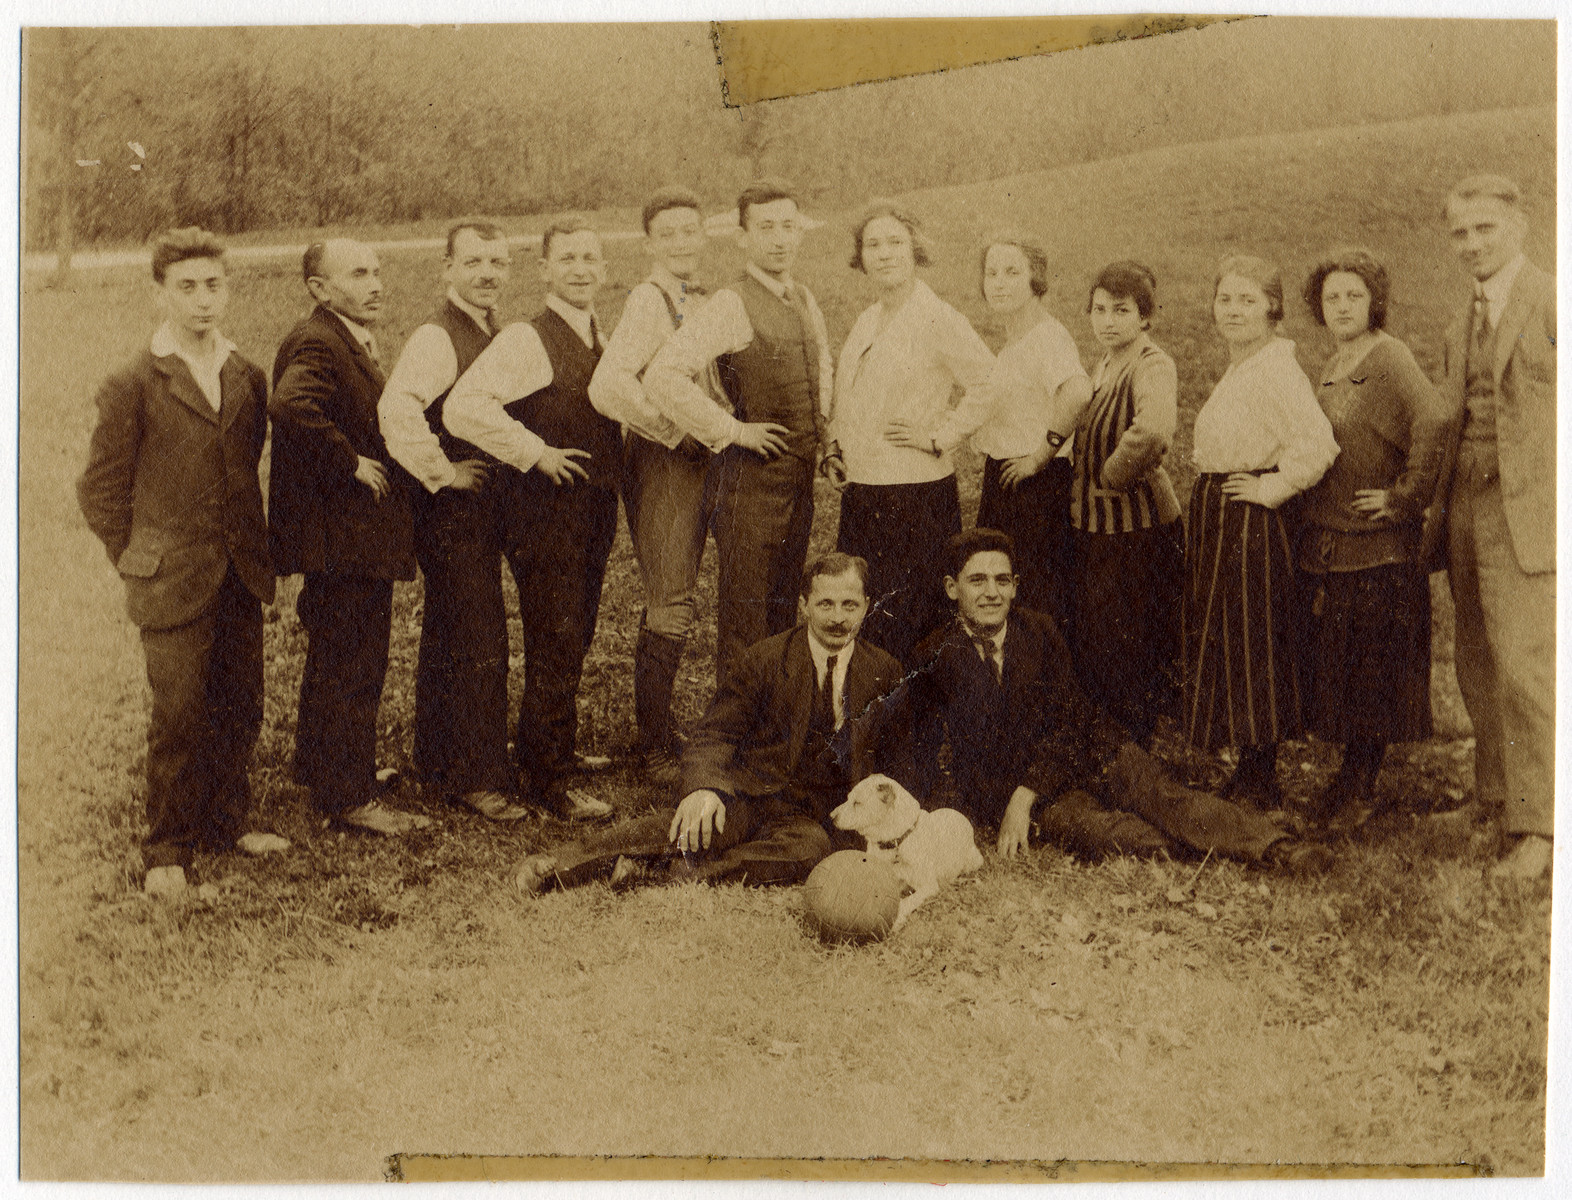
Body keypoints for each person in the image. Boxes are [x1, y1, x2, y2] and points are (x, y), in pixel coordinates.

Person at [882, 529, 1327, 871]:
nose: (991, 593)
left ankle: (1279, 848)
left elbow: (1072, 718)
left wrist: (1024, 793)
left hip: (1091, 751)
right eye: (976, 581)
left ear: (1016, 586)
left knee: (1165, 798)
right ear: (950, 588)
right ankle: (1231, 837)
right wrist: (963, 814)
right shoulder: (934, 657)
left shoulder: (1039, 632)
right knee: (1112, 835)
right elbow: (922, 748)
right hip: (1036, 792)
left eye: (1002, 580)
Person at [77, 227, 290, 895]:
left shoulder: (244, 373)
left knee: (239, 701)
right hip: (169, 578)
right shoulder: (133, 380)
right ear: (161, 293)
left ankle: (227, 821)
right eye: (187, 288)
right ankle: (167, 849)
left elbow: (243, 466)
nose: (203, 301)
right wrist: (138, 554)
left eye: (213, 286)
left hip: (238, 572)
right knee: (178, 714)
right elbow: (101, 488)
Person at [512, 552, 907, 893]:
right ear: (805, 604)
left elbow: (896, 752)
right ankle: (555, 866)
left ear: (867, 605)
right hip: (751, 793)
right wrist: (703, 789)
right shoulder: (766, 659)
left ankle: (666, 876)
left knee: (809, 853)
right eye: (825, 604)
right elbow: (715, 733)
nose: (838, 618)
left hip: (811, 815)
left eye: (849, 605)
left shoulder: (883, 671)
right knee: (690, 827)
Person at [444, 217, 619, 822]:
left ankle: (549, 753)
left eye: (590, 258)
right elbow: (463, 407)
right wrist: (533, 452)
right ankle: (548, 779)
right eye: (567, 258)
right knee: (557, 638)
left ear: (604, 267)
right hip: (546, 518)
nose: (580, 269)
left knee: (574, 636)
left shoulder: (600, 333)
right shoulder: (526, 337)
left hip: (592, 510)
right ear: (544, 269)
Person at [269, 239, 430, 836]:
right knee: (354, 663)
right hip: (344, 539)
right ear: (319, 288)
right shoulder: (318, 339)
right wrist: (350, 462)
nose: (376, 283)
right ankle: (350, 795)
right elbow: (290, 406)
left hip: (347, 539)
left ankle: (323, 770)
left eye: (378, 270)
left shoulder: (342, 335)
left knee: (336, 658)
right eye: (358, 274)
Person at [643, 178, 834, 684]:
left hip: (797, 480)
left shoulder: (803, 297)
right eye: (765, 228)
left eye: (788, 226)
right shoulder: (731, 302)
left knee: (782, 608)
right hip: (748, 485)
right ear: (743, 236)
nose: (779, 239)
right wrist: (732, 430)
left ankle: (773, 731)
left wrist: (826, 434)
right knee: (745, 622)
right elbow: (663, 376)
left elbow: (820, 370)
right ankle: (730, 743)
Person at [1429, 176, 1555, 881]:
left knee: (1526, 664)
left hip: (1530, 508)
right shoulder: (1459, 323)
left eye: (1486, 228)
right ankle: (1497, 800)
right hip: (1468, 509)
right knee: (1477, 659)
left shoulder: (1551, 299)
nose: (1473, 244)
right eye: (1460, 232)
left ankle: (1540, 826)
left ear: (1521, 226)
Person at [1296, 248, 1449, 828]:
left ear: (1374, 302)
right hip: (1339, 544)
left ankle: (1360, 786)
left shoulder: (1389, 357)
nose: (1341, 306)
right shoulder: (1337, 360)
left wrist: (1403, 498)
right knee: (1348, 663)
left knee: (1372, 670)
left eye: (1353, 296)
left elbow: (1432, 420)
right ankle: (1349, 779)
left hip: (1379, 548)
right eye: (1331, 297)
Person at [377, 222, 525, 822]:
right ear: (447, 271)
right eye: (473, 262)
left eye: (497, 261)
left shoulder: (493, 331)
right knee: (476, 633)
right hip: (453, 510)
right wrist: (444, 473)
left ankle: (439, 760)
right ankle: (475, 777)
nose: (487, 273)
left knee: (453, 629)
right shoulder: (438, 336)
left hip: (484, 508)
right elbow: (397, 408)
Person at [1182, 255, 1338, 807]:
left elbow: (1317, 445)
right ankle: (1247, 768)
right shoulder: (1244, 365)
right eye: (1225, 299)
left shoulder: (1276, 368)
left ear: (1272, 307)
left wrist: (1271, 489)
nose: (1233, 310)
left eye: (1247, 300)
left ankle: (1260, 774)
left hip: (1249, 518)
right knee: (1228, 632)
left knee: (1253, 635)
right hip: (1222, 512)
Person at [588, 187, 722, 783]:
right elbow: (608, 385)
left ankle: (692, 730)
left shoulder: (699, 296)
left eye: (691, 230)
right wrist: (671, 430)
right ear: (650, 243)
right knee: (672, 596)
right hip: (666, 458)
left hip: (709, 454)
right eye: (668, 233)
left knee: (693, 595)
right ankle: (653, 745)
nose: (682, 242)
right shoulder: (648, 300)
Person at [824, 201, 995, 665]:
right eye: (872, 244)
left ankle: (919, 722)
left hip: (916, 491)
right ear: (860, 256)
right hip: (864, 490)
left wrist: (939, 436)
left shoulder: (936, 315)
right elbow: (849, 397)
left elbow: (989, 382)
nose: (884, 253)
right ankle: (878, 714)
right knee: (870, 607)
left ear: (915, 249)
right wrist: (835, 448)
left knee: (918, 613)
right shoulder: (867, 319)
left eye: (895, 242)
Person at [931, 234, 1090, 631]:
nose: (998, 282)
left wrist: (1040, 455)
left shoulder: (1047, 336)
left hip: (1034, 485)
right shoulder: (1016, 340)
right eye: (991, 273)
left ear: (1036, 280)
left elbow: (1077, 391)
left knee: (1032, 597)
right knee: (1004, 594)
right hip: (1006, 479)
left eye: (1012, 272)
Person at [1066, 262, 1185, 746]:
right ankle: (1114, 737)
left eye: (1121, 310)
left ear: (1145, 317)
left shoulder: (1151, 362)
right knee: (1104, 636)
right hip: (1101, 525)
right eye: (1099, 310)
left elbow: (1154, 428)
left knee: (1130, 639)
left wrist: (1110, 476)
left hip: (1138, 527)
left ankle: (1134, 744)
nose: (1108, 320)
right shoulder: (1106, 363)